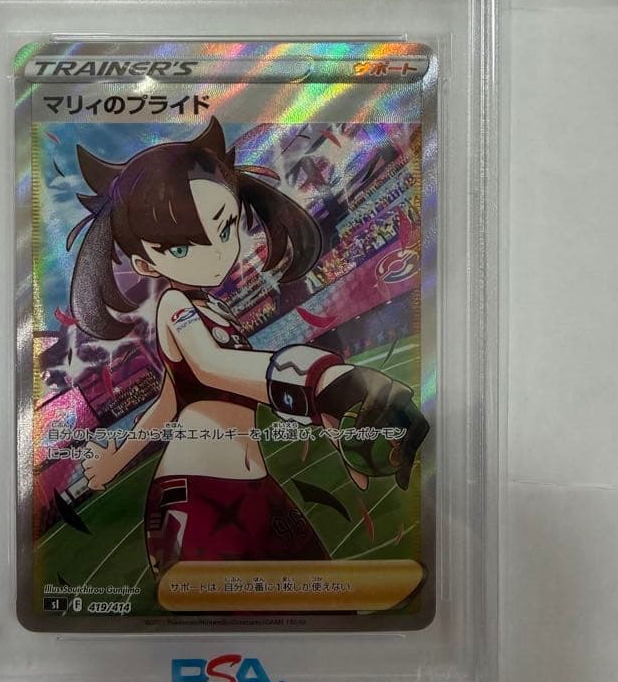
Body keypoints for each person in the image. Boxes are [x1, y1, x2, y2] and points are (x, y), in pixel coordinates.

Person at [69, 118, 428, 578]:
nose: (217, 252)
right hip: (199, 494)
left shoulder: (213, 310)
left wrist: (114, 461)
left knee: (323, 598)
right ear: (144, 263)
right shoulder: (175, 306)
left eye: (225, 227)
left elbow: (168, 402)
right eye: (180, 248)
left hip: (256, 488)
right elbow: (211, 365)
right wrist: (326, 384)